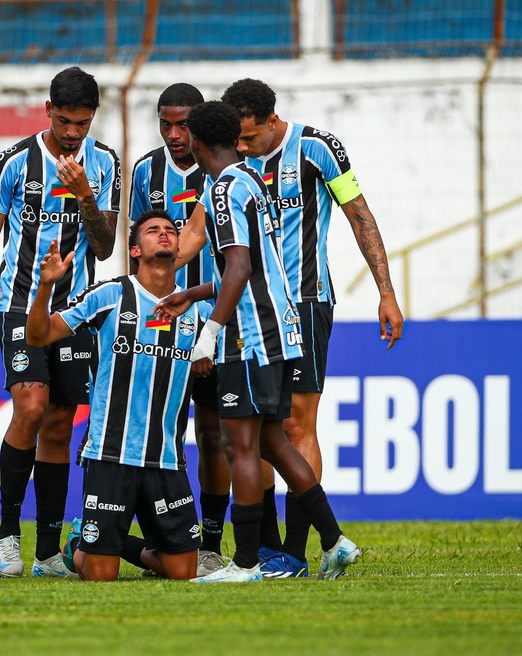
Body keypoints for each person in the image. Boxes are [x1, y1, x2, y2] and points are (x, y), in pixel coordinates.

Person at [156, 101, 359, 582]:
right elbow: (253, 264)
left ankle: (247, 563)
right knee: (272, 440)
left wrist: (209, 332)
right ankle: (335, 540)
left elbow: (241, 268)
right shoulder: (251, 180)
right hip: (279, 329)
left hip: (249, 336)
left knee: (239, 445)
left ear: (200, 143)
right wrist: (193, 292)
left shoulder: (223, 189)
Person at [221, 78, 403, 575]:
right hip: (245, 308)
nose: (243, 148)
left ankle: (298, 552)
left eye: (251, 138)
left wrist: (386, 293)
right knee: (256, 428)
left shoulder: (318, 149)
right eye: (236, 140)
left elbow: (359, 216)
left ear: (272, 122)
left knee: (298, 423)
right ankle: (265, 548)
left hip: (304, 303)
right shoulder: (228, 162)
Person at [0, 66, 121, 578]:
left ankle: (47, 552)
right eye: (64, 121)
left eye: (82, 123)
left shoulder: (104, 164)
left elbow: (105, 246)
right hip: (19, 305)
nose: (73, 132)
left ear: (93, 117)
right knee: (31, 408)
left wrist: (85, 195)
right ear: (47, 111)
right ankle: (8, 533)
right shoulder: (14, 162)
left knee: (59, 424)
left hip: (76, 311)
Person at [26, 210, 211, 580]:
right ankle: (81, 544)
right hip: (109, 454)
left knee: (184, 572)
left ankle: (119, 543)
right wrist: (45, 286)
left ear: (179, 248)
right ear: (135, 250)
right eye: (153, 230)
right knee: (100, 576)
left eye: (171, 231)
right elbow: (38, 335)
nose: (164, 234)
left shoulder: (200, 311)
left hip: (166, 458)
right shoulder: (111, 295)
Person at [129, 83, 226, 577]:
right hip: (161, 322)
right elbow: (138, 247)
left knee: (214, 433)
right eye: (165, 124)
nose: (173, 134)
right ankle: (166, 539)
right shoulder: (146, 170)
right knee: (164, 431)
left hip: (214, 317)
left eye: (183, 124)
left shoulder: (223, 171)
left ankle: (209, 540)